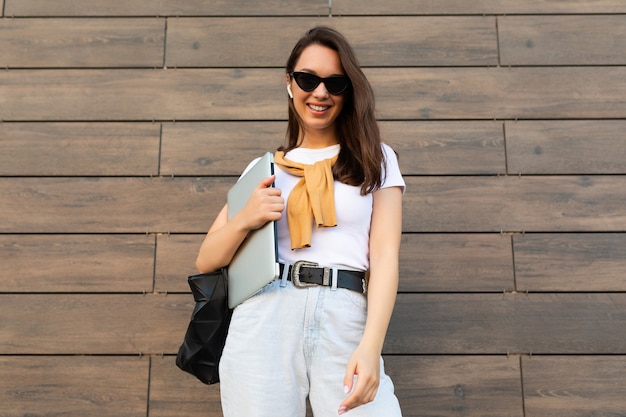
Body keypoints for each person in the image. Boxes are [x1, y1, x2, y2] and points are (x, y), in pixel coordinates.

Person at [195, 26, 404, 417]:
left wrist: (371, 346)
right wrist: (246, 218)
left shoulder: (376, 160)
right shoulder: (265, 168)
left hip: (345, 315)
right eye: (308, 79)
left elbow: (386, 257)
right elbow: (206, 260)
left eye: (335, 83)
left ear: (348, 91)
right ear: (290, 84)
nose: (320, 92)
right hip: (264, 317)